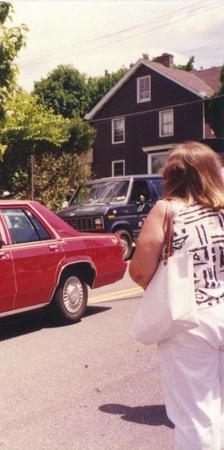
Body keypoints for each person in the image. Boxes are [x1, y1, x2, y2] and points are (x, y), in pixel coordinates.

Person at [129, 141, 224, 450]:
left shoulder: (167, 210)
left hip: (190, 323)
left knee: (196, 415)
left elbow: (140, 271)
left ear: (171, 175)